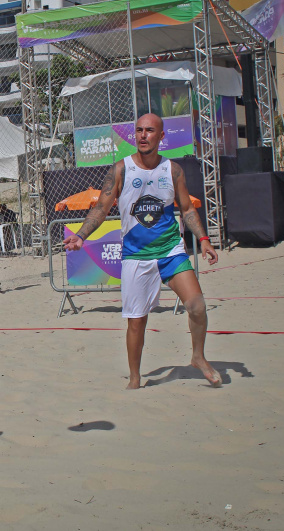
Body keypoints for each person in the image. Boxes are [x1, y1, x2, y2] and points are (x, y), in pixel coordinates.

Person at [63, 113, 222, 390]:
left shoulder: (173, 170)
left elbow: (186, 208)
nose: (142, 135)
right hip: (136, 255)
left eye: (149, 131)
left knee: (197, 306)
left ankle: (198, 356)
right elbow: (101, 207)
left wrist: (204, 239)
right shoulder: (120, 169)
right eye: (138, 130)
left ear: (161, 136)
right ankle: (135, 378)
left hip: (170, 250)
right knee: (137, 322)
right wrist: (80, 236)